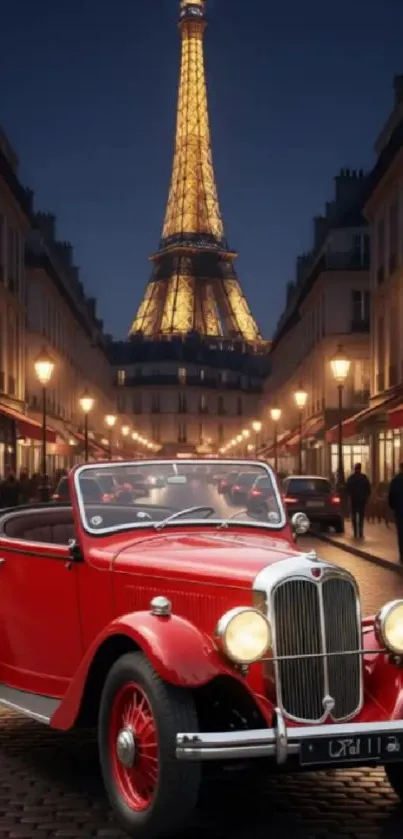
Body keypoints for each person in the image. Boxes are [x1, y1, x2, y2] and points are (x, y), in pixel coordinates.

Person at [346, 463, 371, 539]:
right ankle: (360, 533)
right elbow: (368, 489)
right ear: (360, 468)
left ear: (354, 469)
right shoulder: (364, 477)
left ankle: (355, 533)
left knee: (354, 516)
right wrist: (366, 497)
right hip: (362, 500)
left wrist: (350, 495)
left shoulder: (351, 478)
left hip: (354, 500)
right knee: (361, 517)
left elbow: (347, 489)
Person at [388, 463, 403, 563]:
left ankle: (402, 555)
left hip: (400, 510)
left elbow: (391, 496)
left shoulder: (396, 480)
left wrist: (393, 507)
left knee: (401, 533)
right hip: (399, 508)